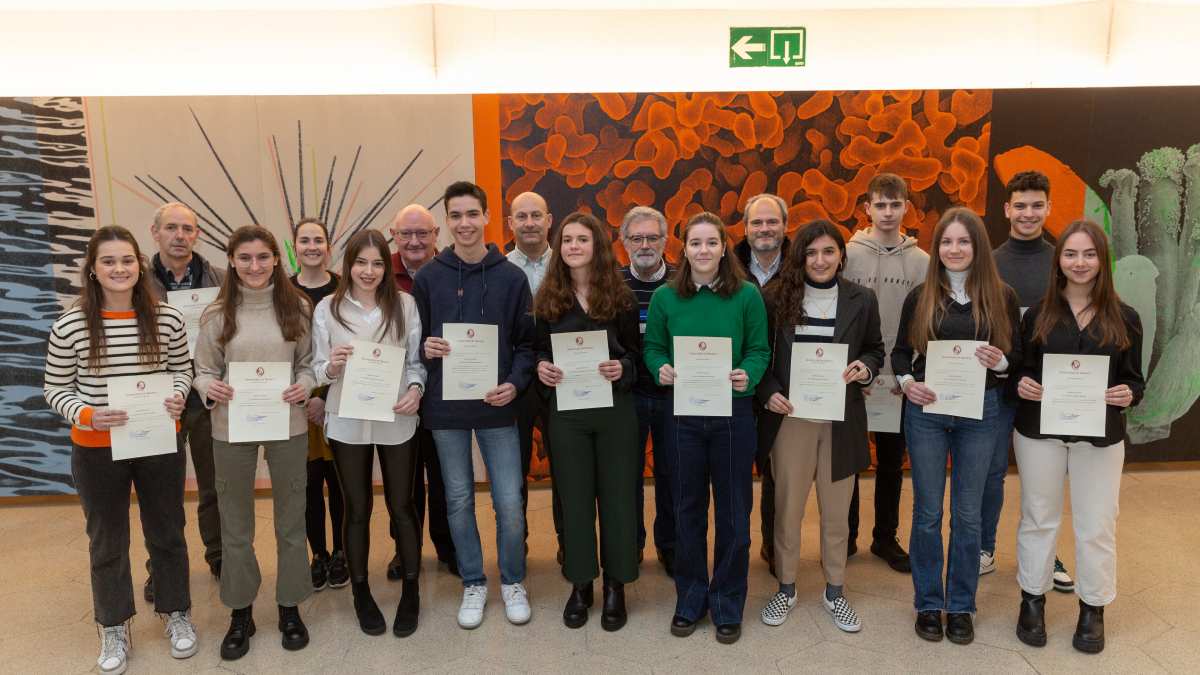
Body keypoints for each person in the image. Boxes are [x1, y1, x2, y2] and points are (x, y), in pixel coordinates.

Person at [45, 225, 198, 675]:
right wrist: (89, 414)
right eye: (108, 261)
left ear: (139, 265)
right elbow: (55, 388)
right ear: (92, 270)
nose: (119, 268)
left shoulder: (166, 318)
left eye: (127, 260)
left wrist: (177, 395)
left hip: (157, 442)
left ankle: (176, 614)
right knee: (107, 541)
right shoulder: (69, 325)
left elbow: (181, 371)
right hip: (96, 448)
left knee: (167, 532)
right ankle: (113, 625)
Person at [1012, 219, 1144, 654]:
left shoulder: (1126, 317)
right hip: (1040, 434)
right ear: (1059, 261)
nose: (1080, 262)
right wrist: (1023, 383)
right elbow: (1021, 369)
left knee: (1097, 525)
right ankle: (1032, 599)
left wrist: (1129, 393)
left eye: (1089, 254)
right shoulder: (1037, 314)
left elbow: (1134, 381)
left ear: (1102, 261)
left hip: (1099, 438)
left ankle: (1093, 607)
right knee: (1038, 517)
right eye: (1071, 254)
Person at [893, 207, 1021, 646]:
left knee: (967, 515)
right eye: (946, 241)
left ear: (978, 247)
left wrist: (1000, 361)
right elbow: (898, 355)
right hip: (927, 413)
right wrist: (908, 383)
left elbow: (1016, 360)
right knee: (927, 513)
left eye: (963, 241)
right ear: (937, 248)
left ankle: (962, 605)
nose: (954, 249)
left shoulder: (1001, 295)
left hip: (980, 413)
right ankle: (929, 602)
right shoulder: (921, 295)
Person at [412, 181, 535, 629]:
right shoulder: (428, 278)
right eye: (455, 215)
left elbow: (527, 345)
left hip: (499, 406)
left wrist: (514, 385)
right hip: (446, 411)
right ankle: (473, 582)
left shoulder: (512, 278)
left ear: (487, 217)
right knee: (459, 500)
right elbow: (416, 345)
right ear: (447, 221)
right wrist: (428, 347)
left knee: (509, 501)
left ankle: (513, 580)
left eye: (472, 214)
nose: (464, 223)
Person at [643, 211, 770, 645]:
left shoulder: (747, 296)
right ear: (685, 250)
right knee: (687, 510)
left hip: (733, 415)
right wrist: (658, 367)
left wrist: (747, 375)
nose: (703, 251)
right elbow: (653, 346)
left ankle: (728, 601)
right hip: (681, 416)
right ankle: (691, 597)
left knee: (735, 512)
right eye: (695, 243)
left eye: (711, 243)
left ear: (724, 248)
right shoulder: (665, 297)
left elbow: (759, 349)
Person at [193, 225, 316, 660]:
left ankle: (289, 606)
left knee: (290, 520)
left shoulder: (296, 307)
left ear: (277, 260)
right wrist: (211, 387)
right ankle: (240, 610)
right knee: (236, 523)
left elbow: (307, 365)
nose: (254, 266)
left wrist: (304, 385)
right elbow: (203, 370)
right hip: (231, 428)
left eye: (263, 257)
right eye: (244, 258)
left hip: (288, 424)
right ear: (231, 261)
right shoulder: (216, 313)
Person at [756, 221, 884, 632]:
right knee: (788, 508)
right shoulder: (775, 297)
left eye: (828, 252)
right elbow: (758, 352)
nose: (820, 260)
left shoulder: (861, 299)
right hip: (791, 418)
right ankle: (787, 586)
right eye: (811, 253)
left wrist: (865, 368)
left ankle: (835, 590)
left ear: (841, 257)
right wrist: (768, 391)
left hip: (841, 419)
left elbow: (875, 349)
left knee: (836, 512)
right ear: (800, 257)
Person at [312, 229, 427, 637]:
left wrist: (416, 390)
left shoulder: (406, 305)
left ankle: (411, 589)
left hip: (396, 416)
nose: (369, 271)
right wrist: (332, 369)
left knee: (403, 504)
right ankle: (361, 591)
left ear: (386, 266)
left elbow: (416, 363)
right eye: (361, 262)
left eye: (378, 263)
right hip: (347, 418)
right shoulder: (327, 308)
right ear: (348, 265)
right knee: (356, 508)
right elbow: (315, 368)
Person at [534, 212, 641, 631]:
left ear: (597, 245)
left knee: (617, 498)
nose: (574, 246)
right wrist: (543, 368)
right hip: (567, 412)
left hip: (615, 410)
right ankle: (581, 584)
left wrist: (623, 368)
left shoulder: (622, 298)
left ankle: (617, 585)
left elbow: (635, 355)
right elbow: (538, 351)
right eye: (567, 240)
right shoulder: (547, 300)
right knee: (574, 499)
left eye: (582, 239)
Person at [982, 171, 1074, 592]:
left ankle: (1045, 554)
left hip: (1045, 389)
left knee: (1045, 479)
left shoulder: (1063, 262)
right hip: (999, 387)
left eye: (1037, 205)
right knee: (991, 472)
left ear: (1048, 208)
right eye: (1020, 205)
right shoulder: (990, 262)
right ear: (1007, 209)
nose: (1028, 213)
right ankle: (984, 547)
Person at [842, 173, 927, 573]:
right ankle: (847, 535)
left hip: (898, 380)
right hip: (852, 375)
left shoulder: (922, 261)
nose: (888, 212)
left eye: (896, 204)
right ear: (867, 209)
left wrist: (907, 374)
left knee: (892, 463)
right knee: (852, 459)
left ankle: (885, 537)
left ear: (906, 207)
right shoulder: (847, 255)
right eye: (881, 205)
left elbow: (925, 323)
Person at [146, 202, 224, 598]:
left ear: (197, 235)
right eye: (171, 228)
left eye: (188, 229)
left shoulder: (221, 280)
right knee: (160, 489)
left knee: (214, 484)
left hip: (208, 396)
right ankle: (160, 565)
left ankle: (219, 555)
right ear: (154, 232)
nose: (180, 236)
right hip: (158, 399)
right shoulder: (135, 282)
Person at [388, 204, 457, 578]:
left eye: (422, 233)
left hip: (443, 392)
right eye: (406, 234)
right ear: (394, 236)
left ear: (436, 235)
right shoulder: (380, 274)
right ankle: (404, 550)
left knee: (446, 476)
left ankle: (449, 547)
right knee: (404, 481)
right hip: (396, 395)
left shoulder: (451, 270)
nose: (414, 241)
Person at [290, 218, 349, 593]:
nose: (312, 246)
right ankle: (319, 554)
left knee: (341, 481)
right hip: (296, 402)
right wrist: (308, 397)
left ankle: (342, 551)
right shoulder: (282, 291)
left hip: (340, 398)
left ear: (329, 246)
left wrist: (324, 399)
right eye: (304, 240)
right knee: (308, 485)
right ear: (294, 246)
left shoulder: (344, 290)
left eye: (319, 240)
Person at [732, 193, 790, 574]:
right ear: (746, 228)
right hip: (732, 384)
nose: (764, 229)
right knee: (734, 472)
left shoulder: (802, 266)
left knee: (777, 471)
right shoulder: (727, 266)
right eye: (757, 223)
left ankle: (773, 546)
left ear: (785, 226)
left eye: (772, 222)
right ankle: (734, 548)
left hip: (781, 389)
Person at [506, 190, 565, 561]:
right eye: (521, 216)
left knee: (566, 465)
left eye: (536, 215)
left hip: (562, 379)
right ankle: (517, 543)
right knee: (514, 470)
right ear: (510, 223)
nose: (529, 223)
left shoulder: (568, 263)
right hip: (517, 382)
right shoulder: (497, 271)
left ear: (549, 220)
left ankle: (568, 541)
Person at [619, 206, 677, 575]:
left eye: (652, 237)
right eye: (636, 238)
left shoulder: (682, 283)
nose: (644, 245)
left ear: (664, 241)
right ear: (623, 243)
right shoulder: (612, 284)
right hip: (627, 396)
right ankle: (632, 546)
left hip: (675, 395)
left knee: (674, 476)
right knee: (627, 477)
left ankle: (670, 548)